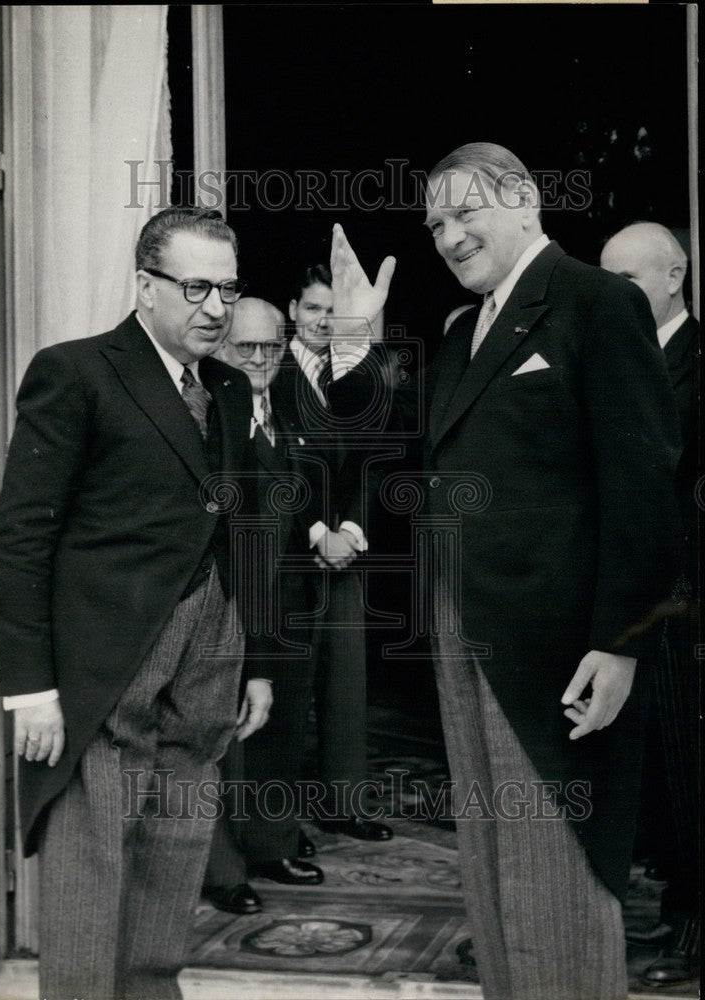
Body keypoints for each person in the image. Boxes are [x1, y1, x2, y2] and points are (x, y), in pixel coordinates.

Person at [329, 141, 683, 1000]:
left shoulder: (597, 303)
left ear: (524, 198)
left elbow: (643, 485)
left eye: (465, 212)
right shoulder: (465, 329)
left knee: (555, 870)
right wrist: (356, 344)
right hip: (464, 636)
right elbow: (398, 446)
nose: (449, 236)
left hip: (557, 650)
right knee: (493, 865)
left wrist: (620, 643)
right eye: (436, 224)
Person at [0, 208, 273, 1000]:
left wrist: (257, 665)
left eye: (227, 287)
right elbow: (18, 541)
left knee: (176, 850)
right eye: (195, 287)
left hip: (207, 664)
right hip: (101, 678)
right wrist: (31, 688)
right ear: (146, 287)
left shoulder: (225, 385)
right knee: (91, 865)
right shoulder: (76, 372)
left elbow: (243, 526)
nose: (216, 307)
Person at [203, 297, 326, 911]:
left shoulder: (291, 402)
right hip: (227, 599)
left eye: (270, 348)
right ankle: (224, 871)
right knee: (224, 733)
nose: (258, 359)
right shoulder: (205, 407)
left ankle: (271, 843)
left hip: (290, 595)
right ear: (221, 346)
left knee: (282, 726)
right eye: (244, 347)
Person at [601, 222, 699, 986]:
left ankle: (695, 930)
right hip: (631, 601)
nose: (615, 295)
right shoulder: (611, 360)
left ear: (675, 277)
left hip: (685, 604)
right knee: (662, 771)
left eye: (629, 280)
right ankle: (677, 903)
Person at [280, 265, 393, 846]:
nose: (324, 321)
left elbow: (372, 459)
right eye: (313, 308)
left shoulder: (354, 375)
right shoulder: (267, 373)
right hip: (294, 551)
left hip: (346, 551)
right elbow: (276, 467)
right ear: (293, 311)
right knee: (288, 687)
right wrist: (318, 530)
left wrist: (348, 529)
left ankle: (342, 803)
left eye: (334, 311)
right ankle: (276, 825)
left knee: (347, 682)